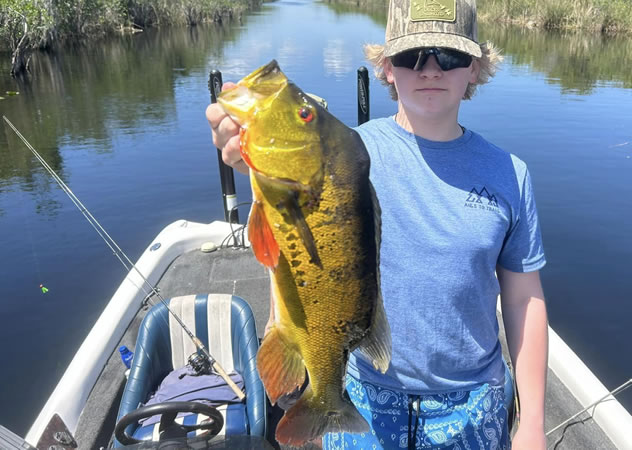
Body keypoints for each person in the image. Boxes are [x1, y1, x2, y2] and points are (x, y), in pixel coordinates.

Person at [206, 0, 548, 448]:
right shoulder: (346, 153)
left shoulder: (510, 174)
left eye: (448, 57)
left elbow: (524, 301)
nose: (430, 71)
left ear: (476, 68)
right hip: (364, 392)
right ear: (386, 67)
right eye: (411, 57)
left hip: (472, 403)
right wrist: (242, 141)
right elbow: (288, 213)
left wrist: (534, 421)